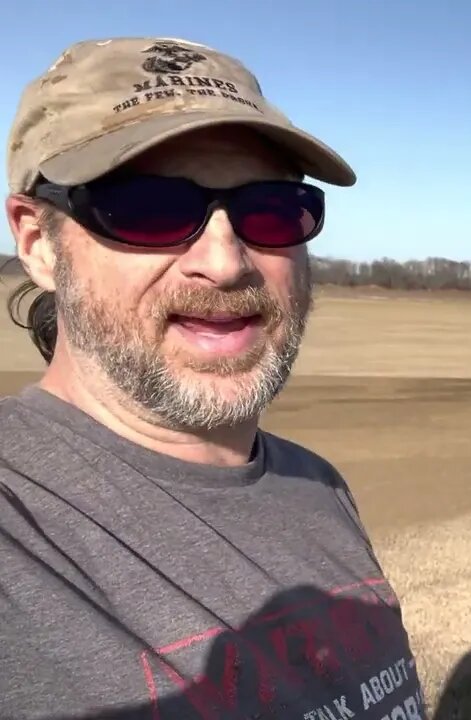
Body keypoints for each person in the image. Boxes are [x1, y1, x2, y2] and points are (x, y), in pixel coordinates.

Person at [0, 37, 428, 718]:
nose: (226, 263)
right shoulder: (17, 519)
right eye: (145, 208)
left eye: (271, 209)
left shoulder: (317, 486)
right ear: (38, 243)